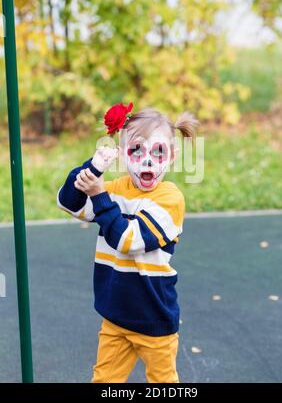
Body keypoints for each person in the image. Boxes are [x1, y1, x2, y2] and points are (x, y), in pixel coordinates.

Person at [57, 102, 199, 383]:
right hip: (115, 315)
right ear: (122, 155)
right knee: (104, 381)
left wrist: (99, 195)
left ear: (172, 156)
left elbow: (127, 240)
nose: (147, 161)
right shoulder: (115, 189)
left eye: (158, 152)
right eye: (137, 150)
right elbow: (68, 202)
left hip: (153, 315)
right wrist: (93, 168)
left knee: (163, 382)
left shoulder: (170, 199)